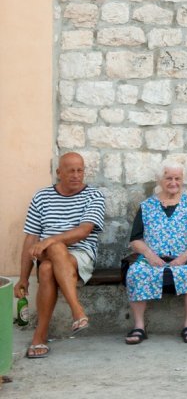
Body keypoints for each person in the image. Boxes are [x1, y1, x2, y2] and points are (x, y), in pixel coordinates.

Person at [14, 152, 106, 359]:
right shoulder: (41, 197)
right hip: (46, 253)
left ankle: (41, 335)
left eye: (80, 170)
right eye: (70, 170)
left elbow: (84, 231)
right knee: (51, 255)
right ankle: (77, 312)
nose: (76, 175)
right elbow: (31, 239)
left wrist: (49, 240)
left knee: (48, 265)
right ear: (59, 172)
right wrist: (23, 278)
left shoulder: (94, 195)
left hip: (81, 254)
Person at [124, 161, 187, 345]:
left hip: (185, 257)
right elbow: (135, 239)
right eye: (168, 178)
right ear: (159, 180)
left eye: (178, 178)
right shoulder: (146, 206)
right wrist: (149, 255)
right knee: (136, 272)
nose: (173, 182)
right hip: (153, 258)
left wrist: (184, 257)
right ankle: (139, 326)